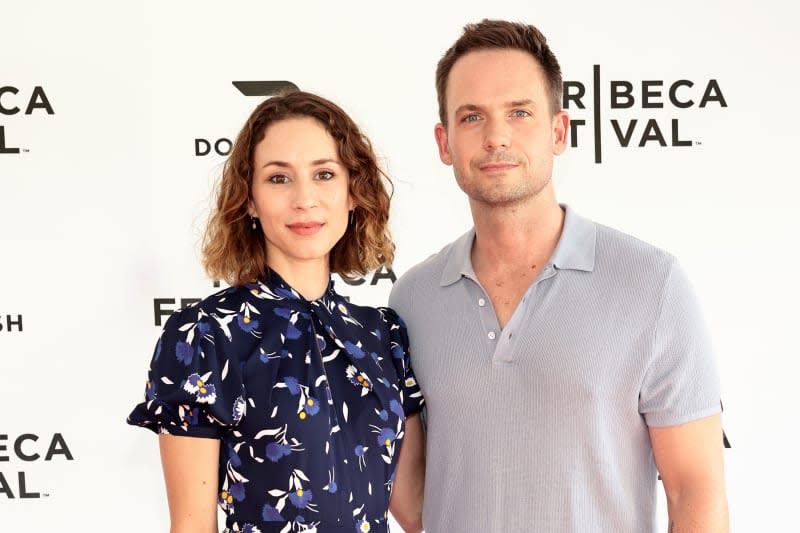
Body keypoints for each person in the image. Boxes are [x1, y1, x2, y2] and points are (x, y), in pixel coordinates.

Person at [389, 19, 728, 533]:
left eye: (519, 113)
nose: (496, 136)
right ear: (445, 142)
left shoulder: (651, 284)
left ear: (558, 131)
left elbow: (695, 494)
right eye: (472, 116)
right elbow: (412, 496)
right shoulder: (412, 299)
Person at [128, 91, 425, 533]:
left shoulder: (382, 335)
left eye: (324, 174)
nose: (305, 199)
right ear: (249, 200)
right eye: (279, 179)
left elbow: (416, 509)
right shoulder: (205, 335)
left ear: (352, 193)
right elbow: (192, 526)